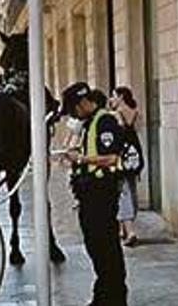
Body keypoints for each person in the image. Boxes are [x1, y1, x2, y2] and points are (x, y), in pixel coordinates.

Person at [61, 82, 128, 306]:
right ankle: (103, 295)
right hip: (89, 194)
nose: (73, 114)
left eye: (73, 109)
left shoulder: (105, 121)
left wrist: (81, 159)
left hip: (102, 193)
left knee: (106, 246)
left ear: (82, 103)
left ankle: (115, 297)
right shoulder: (89, 123)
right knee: (95, 246)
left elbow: (111, 157)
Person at [111, 86, 144, 246]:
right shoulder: (136, 111)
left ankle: (129, 230)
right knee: (131, 188)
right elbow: (137, 130)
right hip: (135, 152)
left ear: (121, 97)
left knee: (123, 192)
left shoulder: (117, 113)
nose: (112, 99)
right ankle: (123, 229)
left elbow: (118, 134)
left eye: (114, 96)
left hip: (122, 155)